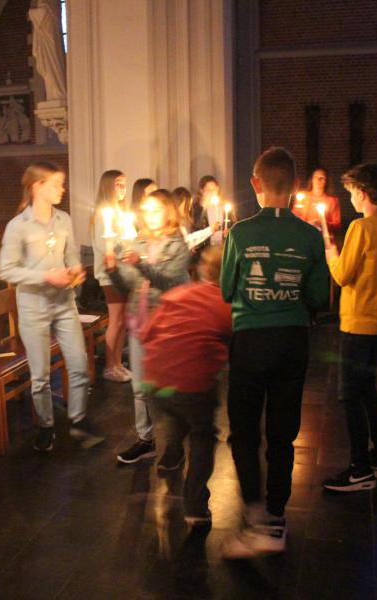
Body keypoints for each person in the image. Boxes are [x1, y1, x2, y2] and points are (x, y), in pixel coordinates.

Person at [219, 147, 329, 557]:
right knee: (283, 432)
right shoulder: (309, 236)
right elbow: (319, 294)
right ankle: (278, 516)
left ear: (255, 184)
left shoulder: (240, 233)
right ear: (297, 186)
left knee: (244, 430)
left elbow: (227, 290)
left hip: (250, 340)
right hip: (292, 341)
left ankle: (253, 508)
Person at [0, 162, 105, 452]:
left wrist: (75, 270)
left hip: (63, 303)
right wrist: (45, 276)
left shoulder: (64, 219)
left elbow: (70, 255)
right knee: (40, 375)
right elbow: (6, 270)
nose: (62, 189)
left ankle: (78, 420)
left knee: (79, 364)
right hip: (34, 306)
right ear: (38, 187)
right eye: (57, 183)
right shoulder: (18, 226)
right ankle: (46, 425)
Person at [322, 162, 377, 492]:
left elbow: (342, 275)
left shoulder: (361, 228)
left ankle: (359, 470)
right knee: (369, 388)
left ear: (365, 192)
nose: (350, 196)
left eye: (353, 190)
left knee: (349, 395)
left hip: (358, 321)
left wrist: (331, 253)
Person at [141, 245, 231, 525]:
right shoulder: (225, 303)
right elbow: (235, 342)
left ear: (202, 269)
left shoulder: (177, 293)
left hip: (155, 381)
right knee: (203, 436)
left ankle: (172, 450)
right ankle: (194, 505)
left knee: (175, 411)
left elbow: (145, 334)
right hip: (191, 383)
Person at [105, 189, 190, 464]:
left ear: (168, 212)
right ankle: (146, 440)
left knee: (167, 387)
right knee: (140, 386)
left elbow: (169, 281)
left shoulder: (177, 244)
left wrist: (139, 264)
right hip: (140, 321)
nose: (149, 215)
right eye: (146, 210)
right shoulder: (136, 242)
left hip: (167, 323)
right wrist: (113, 270)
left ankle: (175, 443)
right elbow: (127, 287)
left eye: (156, 210)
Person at [91, 170, 131, 383]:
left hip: (123, 272)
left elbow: (129, 238)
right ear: (108, 186)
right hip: (109, 274)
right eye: (118, 184)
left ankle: (117, 363)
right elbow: (101, 244)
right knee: (115, 320)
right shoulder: (102, 213)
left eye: (124, 184)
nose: (123, 188)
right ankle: (109, 365)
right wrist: (122, 246)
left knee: (123, 319)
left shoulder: (121, 212)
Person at [292, 167, 341, 233]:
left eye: (322, 178)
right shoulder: (303, 197)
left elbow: (337, 224)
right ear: (312, 179)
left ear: (326, 181)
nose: (318, 180)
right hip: (304, 235)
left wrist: (322, 223)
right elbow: (294, 217)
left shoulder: (332, 201)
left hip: (322, 237)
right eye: (316, 177)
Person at [174, 185, 218, 251]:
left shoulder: (179, 222)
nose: (189, 208)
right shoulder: (172, 224)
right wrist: (209, 230)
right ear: (179, 202)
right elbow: (186, 242)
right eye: (187, 204)